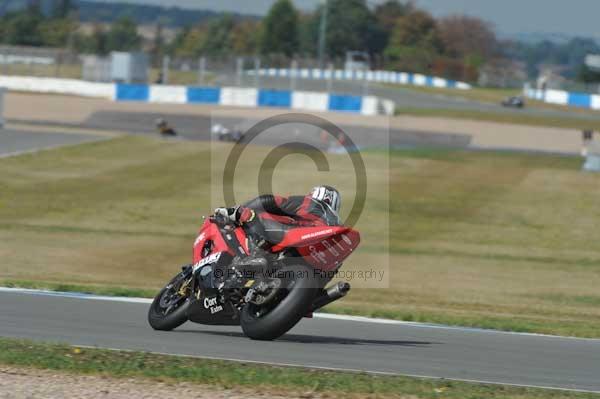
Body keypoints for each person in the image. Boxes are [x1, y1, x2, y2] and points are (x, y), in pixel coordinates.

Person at [213, 185, 341, 266]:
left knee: (251, 213)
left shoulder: (313, 203)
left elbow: (271, 201)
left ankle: (254, 253)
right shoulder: (336, 225)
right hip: (312, 263)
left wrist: (240, 210)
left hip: (297, 233)